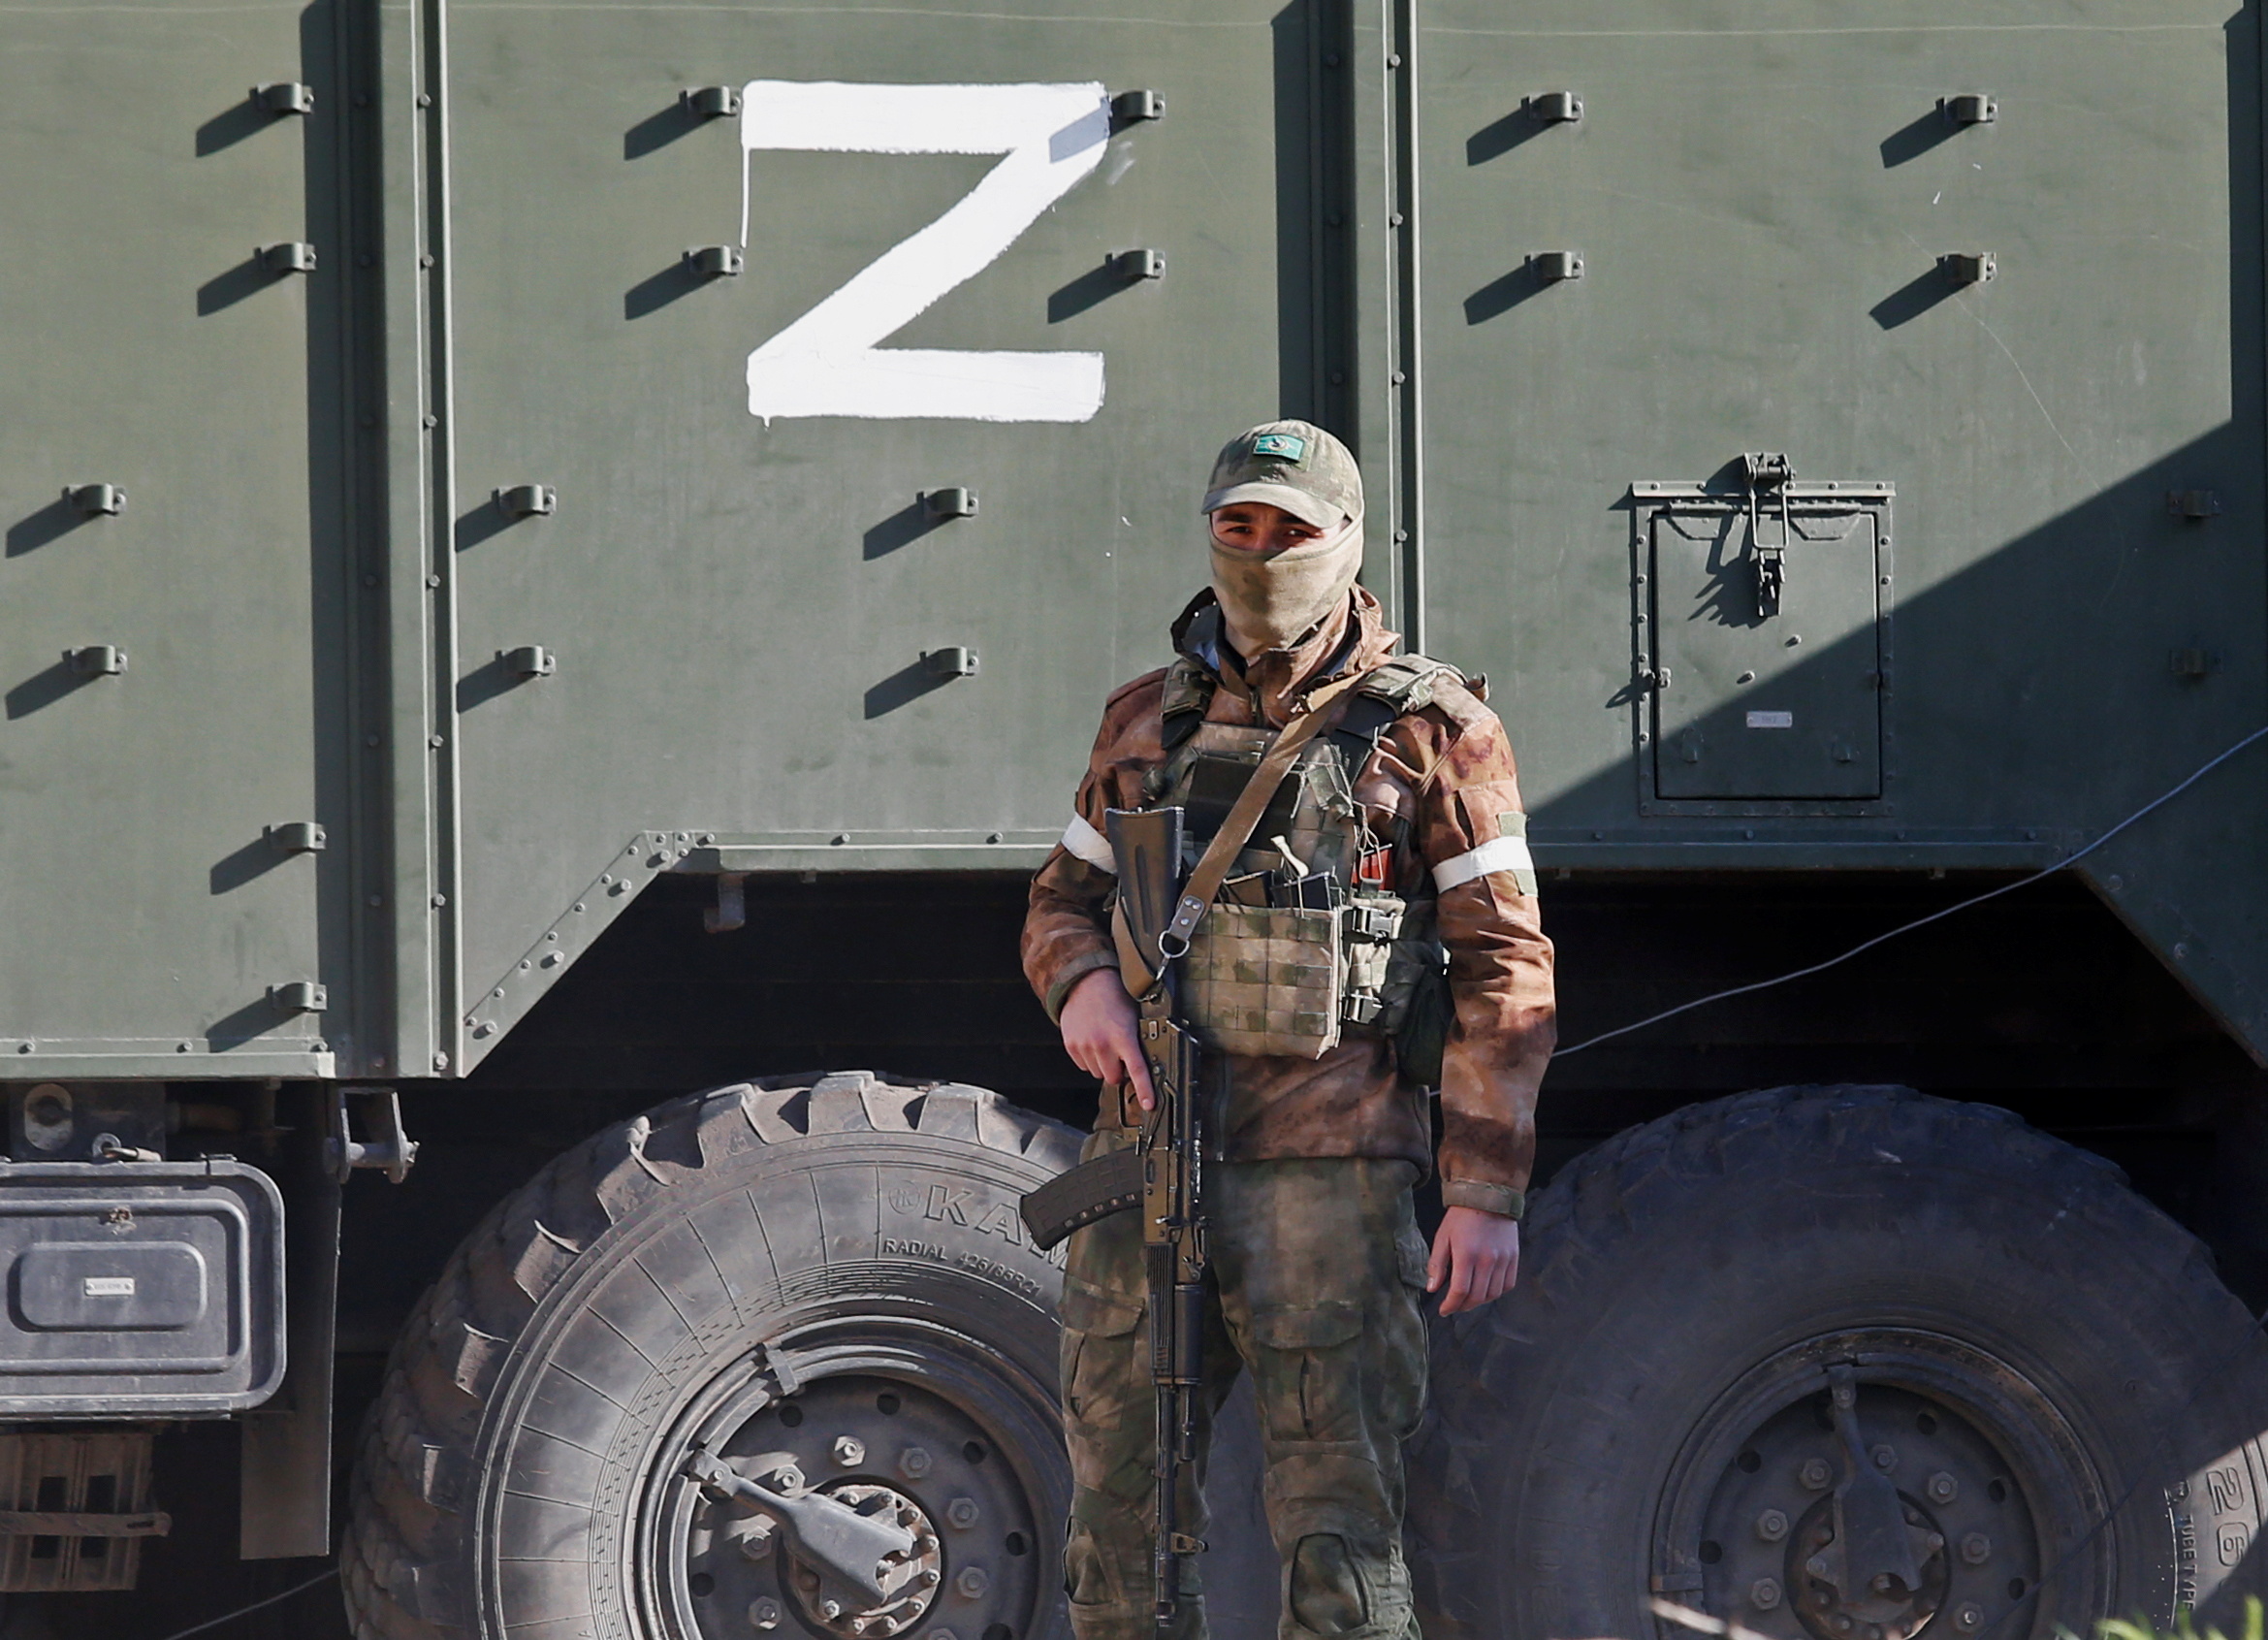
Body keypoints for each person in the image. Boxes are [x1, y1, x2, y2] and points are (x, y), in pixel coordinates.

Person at [1022, 420, 1556, 1640]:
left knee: (1336, 1533)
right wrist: (1081, 986)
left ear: (1346, 540)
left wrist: (1484, 1188)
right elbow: (1059, 901)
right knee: (1117, 1523)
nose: (1261, 551)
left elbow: (1504, 964)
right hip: (1146, 1162)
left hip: (1331, 1176)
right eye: (1238, 525)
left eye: (1290, 529)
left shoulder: (1432, 728)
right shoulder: (1144, 719)